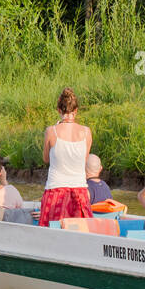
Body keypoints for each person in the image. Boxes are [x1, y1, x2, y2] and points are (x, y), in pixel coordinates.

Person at [38, 88, 94, 227]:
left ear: (59, 110)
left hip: (55, 189)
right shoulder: (86, 132)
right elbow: (84, 160)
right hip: (80, 190)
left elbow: (46, 159)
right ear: (76, 110)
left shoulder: (51, 131)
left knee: (51, 232)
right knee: (82, 233)